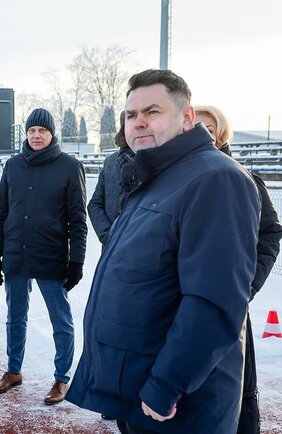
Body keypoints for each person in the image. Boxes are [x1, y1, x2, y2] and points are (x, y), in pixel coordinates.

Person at [66, 69, 261, 434]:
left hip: (178, 406)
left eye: (152, 112)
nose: (138, 122)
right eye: (130, 115)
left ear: (187, 117)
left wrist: (166, 386)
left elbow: (213, 303)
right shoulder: (158, 177)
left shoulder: (214, 178)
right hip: (139, 388)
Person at [0, 107, 87, 405]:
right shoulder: (13, 166)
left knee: (61, 320)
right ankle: (13, 371)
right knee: (14, 317)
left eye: (42, 130)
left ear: (52, 134)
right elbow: (0, 213)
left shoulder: (69, 166)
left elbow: (78, 220)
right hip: (16, 254)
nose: (36, 135)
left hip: (51, 256)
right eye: (31, 130)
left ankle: (62, 378)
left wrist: (77, 261)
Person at [196, 105, 282, 434]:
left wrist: (247, 286)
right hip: (179, 305)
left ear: (221, 135)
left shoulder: (245, 179)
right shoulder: (173, 177)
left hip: (228, 306)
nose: (202, 133)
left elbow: (270, 234)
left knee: (230, 395)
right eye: (195, 126)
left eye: (209, 128)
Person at [88, 111, 135, 248]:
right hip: (111, 249)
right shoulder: (111, 162)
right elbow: (94, 204)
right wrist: (108, 235)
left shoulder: (158, 162)